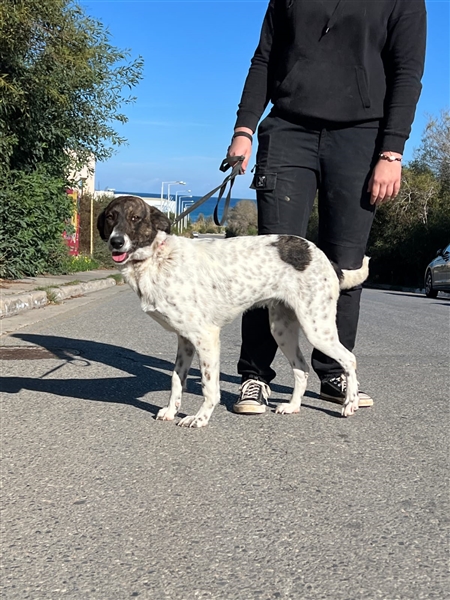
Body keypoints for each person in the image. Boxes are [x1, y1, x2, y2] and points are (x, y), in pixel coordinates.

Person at [226, 0, 426, 414]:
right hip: (288, 129)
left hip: (361, 138)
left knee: (345, 262)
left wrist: (392, 151)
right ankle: (254, 375)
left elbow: (407, 73)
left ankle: (333, 372)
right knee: (271, 261)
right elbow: (264, 58)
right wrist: (244, 129)